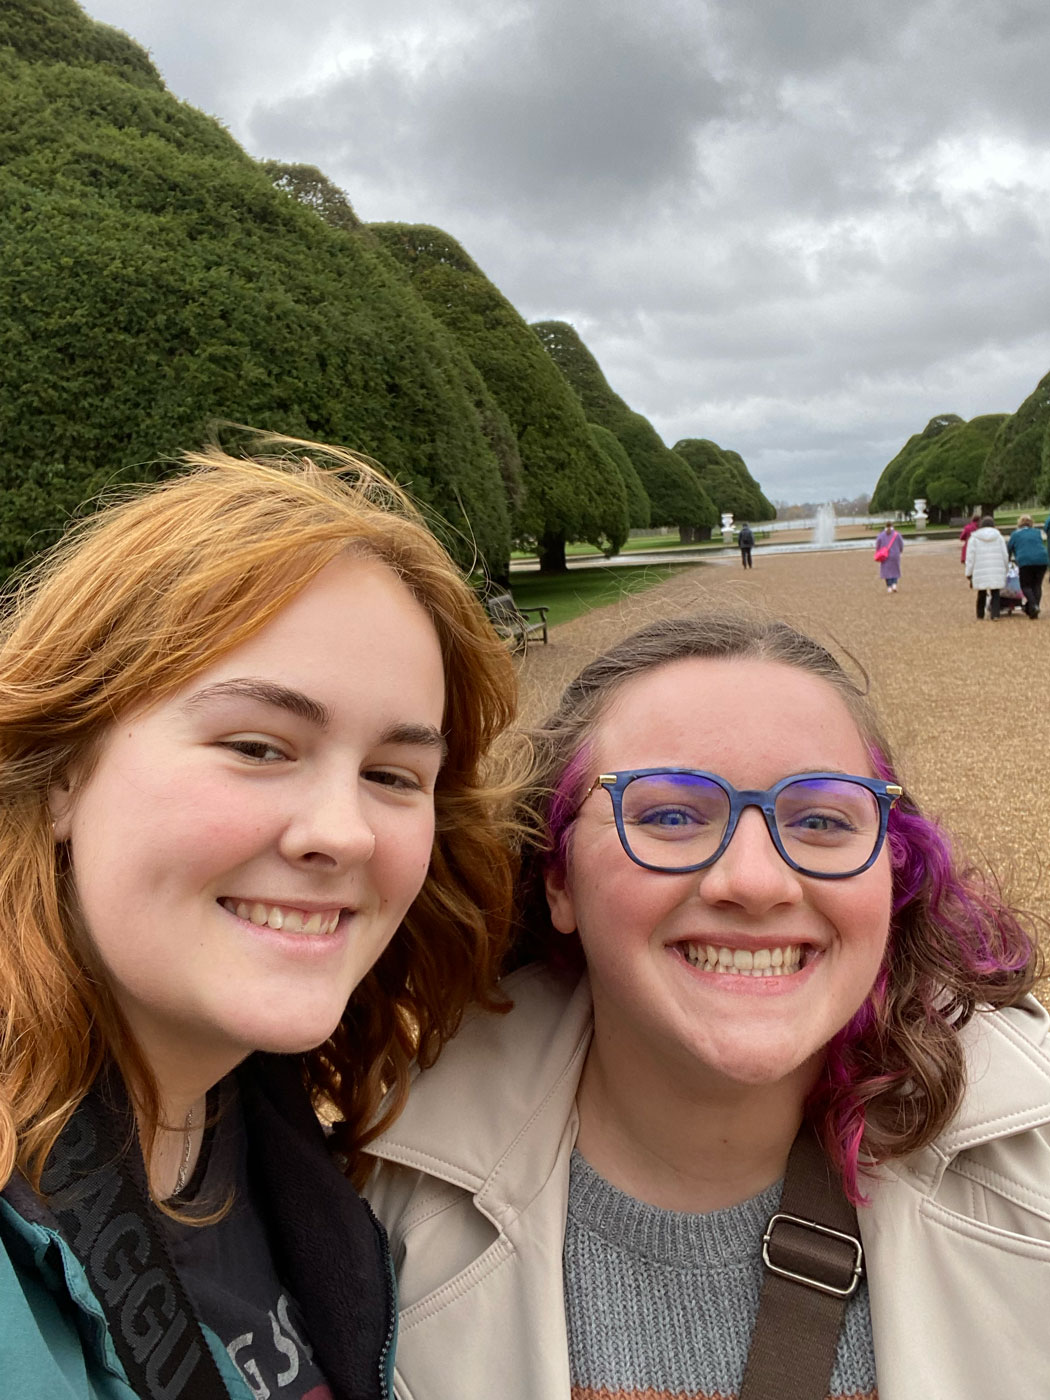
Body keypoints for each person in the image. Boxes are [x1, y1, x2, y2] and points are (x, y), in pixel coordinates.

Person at [364, 614, 1048, 1400]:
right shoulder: (367, 1219)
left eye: (822, 820)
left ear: (891, 870)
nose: (756, 882)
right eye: (670, 815)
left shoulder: (1035, 1179)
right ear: (559, 878)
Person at [0, 441, 518, 1400]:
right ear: (64, 769)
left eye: (393, 775)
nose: (343, 833)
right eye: (257, 746)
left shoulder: (281, 1140)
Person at [965, 515, 1009, 620]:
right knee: (995, 592)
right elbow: (1005, 555)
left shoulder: (974, 538)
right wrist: (1006, 568)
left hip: (980, 568)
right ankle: (995, 614)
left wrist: (968, 572)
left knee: (981, 592)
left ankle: (980, 614)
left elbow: (970, 557)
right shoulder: (999, 537)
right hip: (996, 567)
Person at [1006, 514, 1048, 619]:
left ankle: (1034, 605)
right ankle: (1034, 609)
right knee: (1037, 585)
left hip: (1025, 561)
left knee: (1026, 585)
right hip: (1042, 560)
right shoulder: (1037, 532)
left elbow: (1009, 548)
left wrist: (1008, 561)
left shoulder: (1015, 534)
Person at [873, 522, 902, 592]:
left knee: (887, 571)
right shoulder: (897, 535)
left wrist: (878, 552)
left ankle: (889, 586)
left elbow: (878, 545)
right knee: (895, 570)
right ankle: (894, 584)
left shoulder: (881, 535)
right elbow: (901, 544)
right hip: (895, 554)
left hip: (884, 555)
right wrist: (899, 551)